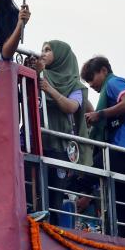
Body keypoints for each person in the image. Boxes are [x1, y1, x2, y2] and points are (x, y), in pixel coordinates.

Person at [81, 56, 125, 240]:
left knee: (82, 176)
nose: (91, 84)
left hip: (122, 151)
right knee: (124, 204)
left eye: (92, 77)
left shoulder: (114, 82)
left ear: (104, 71)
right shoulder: (109, 88)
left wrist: (99, 115)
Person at [36, 40, 93, 226]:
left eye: (48, 50)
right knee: (33, 189)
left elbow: (71, 107)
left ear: (61, 55)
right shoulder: (39, 75)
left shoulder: (74, 84)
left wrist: (49, 89)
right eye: (42, 49)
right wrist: (36, 72)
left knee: (55, 196)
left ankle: (53, 234)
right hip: (36, 141)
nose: (43, 53)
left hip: (59, 146)